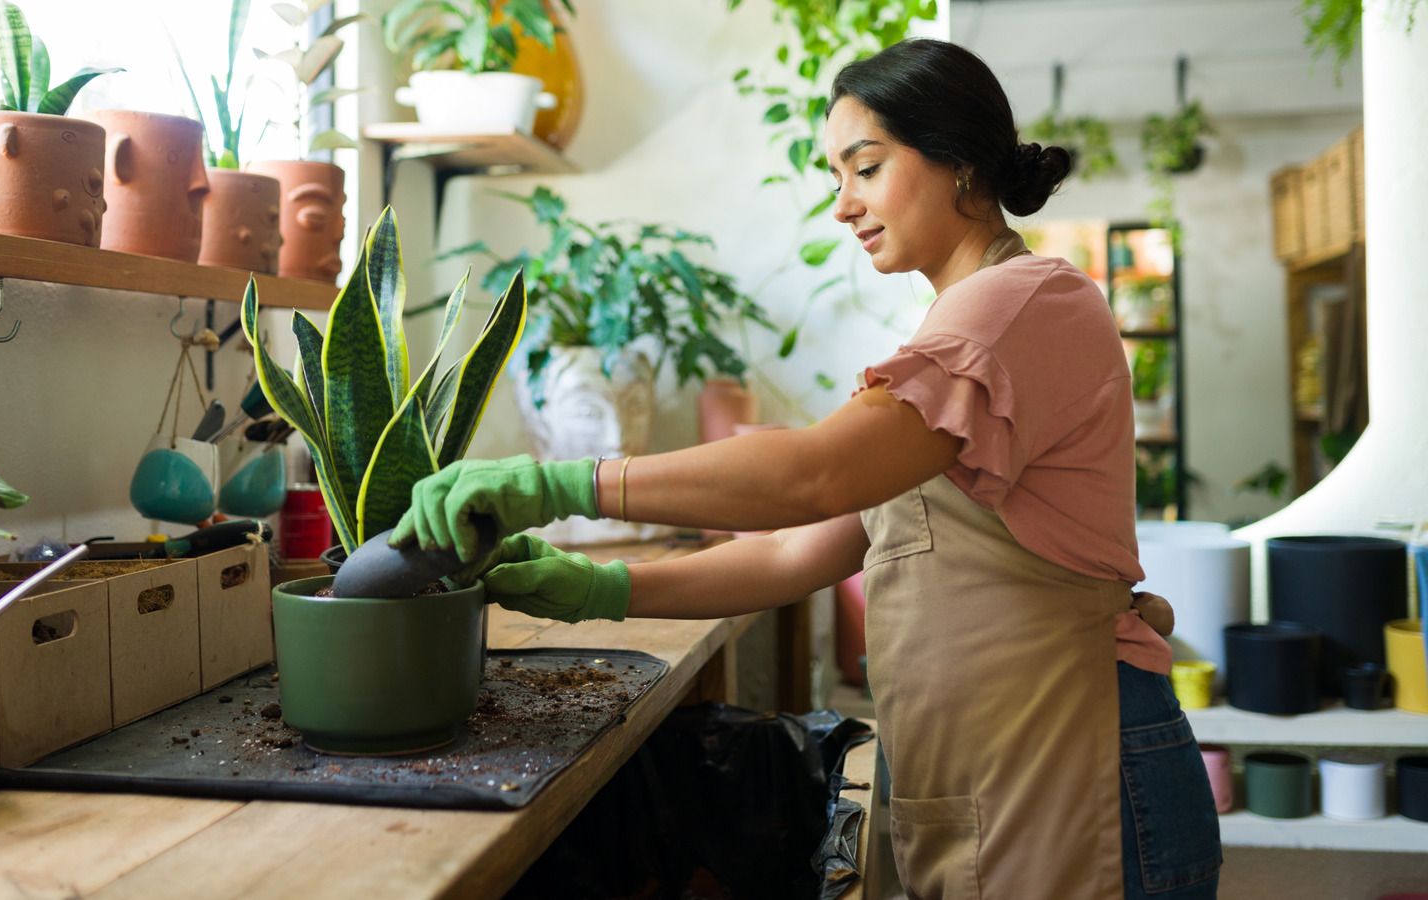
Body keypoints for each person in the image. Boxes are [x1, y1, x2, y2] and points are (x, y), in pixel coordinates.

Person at [391, 38, 1221, 900]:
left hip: (1079, 773)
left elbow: (811, 475)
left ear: (960, 161)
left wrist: (558, 485)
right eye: (836, 177)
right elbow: (799, 552)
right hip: (1005, 776)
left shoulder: (1026, 305)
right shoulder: (960, 330)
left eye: (865, 167)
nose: (843, 204)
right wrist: (599, 590)